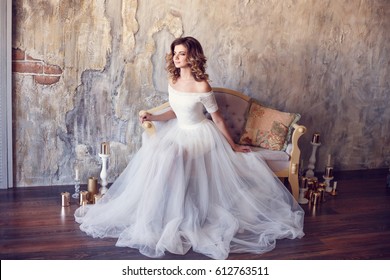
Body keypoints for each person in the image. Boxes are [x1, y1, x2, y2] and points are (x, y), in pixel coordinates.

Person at [74, 36, 304, 260]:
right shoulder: (173, 81)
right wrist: (153, 116)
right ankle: (159, 213)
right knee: (160, 153)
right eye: (174, 53)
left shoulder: (202, 86)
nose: (176, 58)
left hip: (200, 134)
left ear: (191, 56)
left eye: (181, 53)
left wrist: (232, 145)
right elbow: (175, 111)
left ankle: (178, 216)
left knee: (171, 154)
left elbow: (219, 119)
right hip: (179, 130)